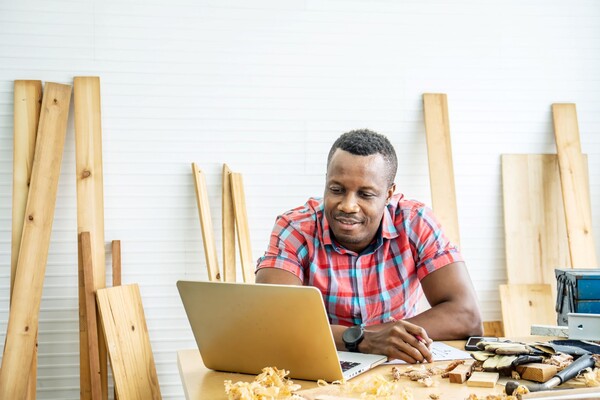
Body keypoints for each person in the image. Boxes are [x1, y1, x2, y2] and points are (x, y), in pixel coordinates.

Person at [256, 129, 483, 363]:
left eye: (365, 194)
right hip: (320, 361)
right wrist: (366, 340)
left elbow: (467, 316)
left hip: (396, 364)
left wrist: (382, 338)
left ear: (388, 194)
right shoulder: (295, 228)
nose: (348, 205)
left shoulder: (416, 222)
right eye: (336, 190)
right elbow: (273, 320)